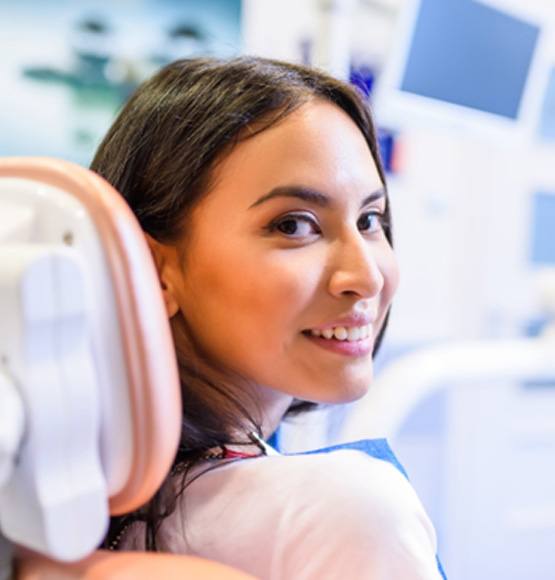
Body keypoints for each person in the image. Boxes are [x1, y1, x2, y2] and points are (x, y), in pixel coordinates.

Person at [92, 56, 446, 579]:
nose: (366, 276)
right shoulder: (345, 510)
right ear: (154, 269)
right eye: (293, 225)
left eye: (370, 219)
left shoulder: (83, 513)